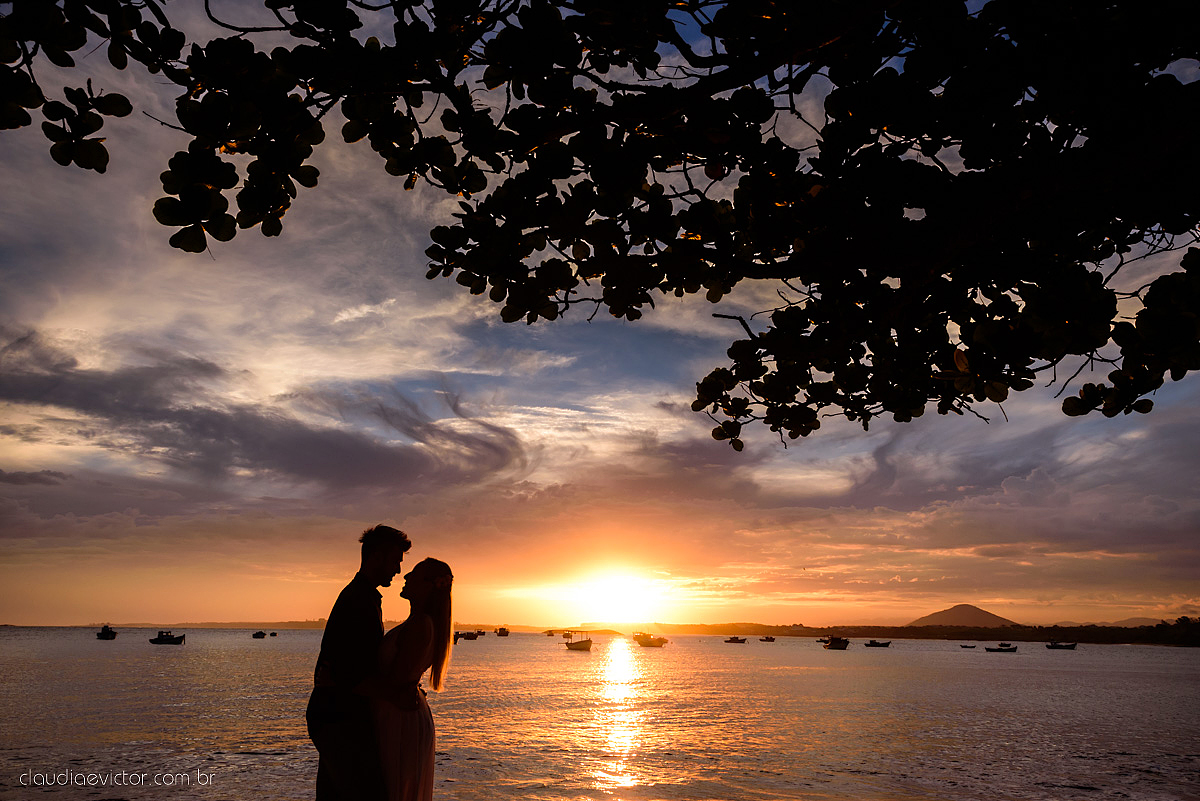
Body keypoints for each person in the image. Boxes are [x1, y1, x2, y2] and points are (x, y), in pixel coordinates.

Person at [307, 524, 411, 801]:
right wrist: (396, 695)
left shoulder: (362, 596)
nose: (398, 570)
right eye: (395, 561)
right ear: (377, 556)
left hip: (335, 715)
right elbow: (347, 672)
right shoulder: (359, 600)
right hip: (339, 718)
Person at [374, 557, 454, 801]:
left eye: (414, 574)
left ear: (429, 586)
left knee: (397, 787)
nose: (406, 576)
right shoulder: (420, 623)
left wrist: (341, 682)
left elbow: (396, 682)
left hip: (400, 716)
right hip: (400, 713)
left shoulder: (420, 625)